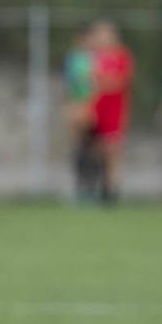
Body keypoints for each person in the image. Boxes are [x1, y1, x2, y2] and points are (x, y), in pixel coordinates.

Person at [88, 21, 134, 204]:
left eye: (105, 35)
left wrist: (104, 83)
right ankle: (100, 185)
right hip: (97, 108)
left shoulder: (122, 56)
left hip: (115, 109)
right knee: (97, 149)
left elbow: (122, 81)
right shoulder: (95, 57)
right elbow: (90, 82)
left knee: (113, 150)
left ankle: (111, 191)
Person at [64, 26, 100, 201]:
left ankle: (94, 187)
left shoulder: (97, 58)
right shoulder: (73, 59)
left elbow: (98, 84)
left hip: (95, 107)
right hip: (79, 106)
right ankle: (81, 188)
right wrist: (72, 106)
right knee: (80, 147)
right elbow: (70, 86)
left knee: (95, 147)